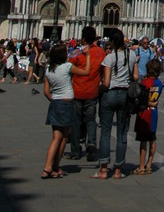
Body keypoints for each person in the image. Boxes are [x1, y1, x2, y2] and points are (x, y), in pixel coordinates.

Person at [93, 28, 138, 180]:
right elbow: (136, 76)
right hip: (125, 95)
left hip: (110, 95)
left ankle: (104, 170)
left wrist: (100, 87)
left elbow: (106, 82)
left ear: (111, 42)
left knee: (105, 132)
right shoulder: (131, 55)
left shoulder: (109, 58)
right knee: (122, 133)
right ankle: (118, 170)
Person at [42, 41, 91, 179]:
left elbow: (46, 92)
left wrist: (55, 99)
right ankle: (54, 167)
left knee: (55, 137)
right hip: (66, 104)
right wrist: (87, 56)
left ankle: (47, 167)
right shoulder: (67, 67)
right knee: (63, 137)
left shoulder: (48, 69)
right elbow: (86, 72)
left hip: (55, 104)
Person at [70, 25, 106, 162]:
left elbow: (68, 68)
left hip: (77, 91)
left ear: (83, 39)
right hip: (92, 92)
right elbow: (103, 69)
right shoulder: (101, 52)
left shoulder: (76, 53)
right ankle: (91, 143)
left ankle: (75, 150)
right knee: (91, 120)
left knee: (76, 121)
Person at [132, 57, 163, 174]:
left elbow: (141, 98)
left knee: (143, 141)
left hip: (144, 113)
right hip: (154, 112)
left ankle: (141, 166)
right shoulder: (159, 83)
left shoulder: (144, 82)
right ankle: (149, 164)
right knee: (152, 139)